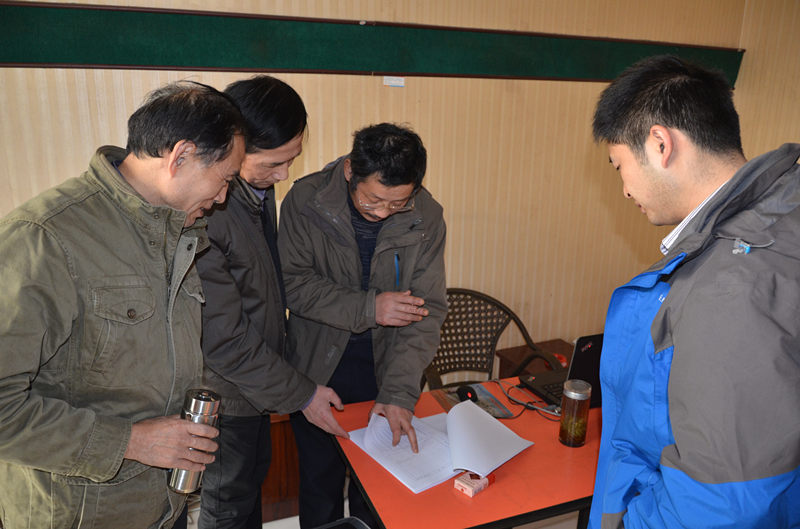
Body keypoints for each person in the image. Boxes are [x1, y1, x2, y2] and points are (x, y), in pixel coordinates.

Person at [0, 81, 246, 529]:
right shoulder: (45, 238)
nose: (223, 197)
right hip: (76, 513)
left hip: (161, 505)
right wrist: (130, 442)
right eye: (225, 178)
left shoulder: (178, 233)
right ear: (181, 156)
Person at [589, 55, 800, 528]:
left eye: (619, 165)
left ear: (660, 144)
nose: (624, 189)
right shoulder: (784, 213)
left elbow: (717, 505)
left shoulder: (731, 285)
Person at [194, 75, 348, 529]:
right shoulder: (208, 210)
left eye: (292, 159)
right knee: (227, 504)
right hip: (224, 393)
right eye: (274, 163)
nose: (283, 175)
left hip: (257, 385)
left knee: (247, 492)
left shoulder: (256, 190)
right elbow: (222, 337)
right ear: (233, 147)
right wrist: (302, 393)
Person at [278, 123, 447, 527]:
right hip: (319, 368)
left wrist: (400, 392)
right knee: (320, 485)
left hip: (386, 368)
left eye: (397, 203)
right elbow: (292, 286)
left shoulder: (426, 215)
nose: (383, 212)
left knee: (377, 490)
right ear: (350, 170)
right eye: (373, 200)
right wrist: (370, 308)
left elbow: (426, 312)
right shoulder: (306, 200)